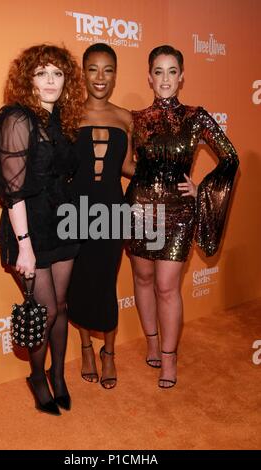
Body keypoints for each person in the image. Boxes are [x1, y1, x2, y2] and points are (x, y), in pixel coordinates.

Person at [125, 45, 239, 388]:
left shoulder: (197, 116)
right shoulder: (136, 119)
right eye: (158, 72)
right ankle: (153, 343)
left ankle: (170, 358)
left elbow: (230, 157)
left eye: (171, 71)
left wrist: (202, 187)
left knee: (165, 285)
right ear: (149, 76)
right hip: (139, 209)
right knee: (143, 280)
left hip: (177, 213)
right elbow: (128, 164)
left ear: (182, 76)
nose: (165, 79)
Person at [0, 44, 84, 414]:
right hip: (30, 229)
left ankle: (59, 376)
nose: (50, 81)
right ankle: (38, 377)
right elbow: (12, 191)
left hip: (64, 225)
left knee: (59, 305)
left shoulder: (62, 119)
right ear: (28, 78)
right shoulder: (17, 118)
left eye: (57, 74)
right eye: (42, 73)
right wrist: (24, 246)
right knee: (43, 312)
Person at [67, 43, 134, 389]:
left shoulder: (126, 117)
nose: (100, 77)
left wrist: (164, 169)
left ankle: (108, 353)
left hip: (112, 212)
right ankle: (86, 348)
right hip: (74, 213)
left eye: (108, 70)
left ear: (115, 75)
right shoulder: (68, 114)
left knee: (106, 283)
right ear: (83, 73)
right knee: (78, 281)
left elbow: (126, 167)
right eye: (93, 69)